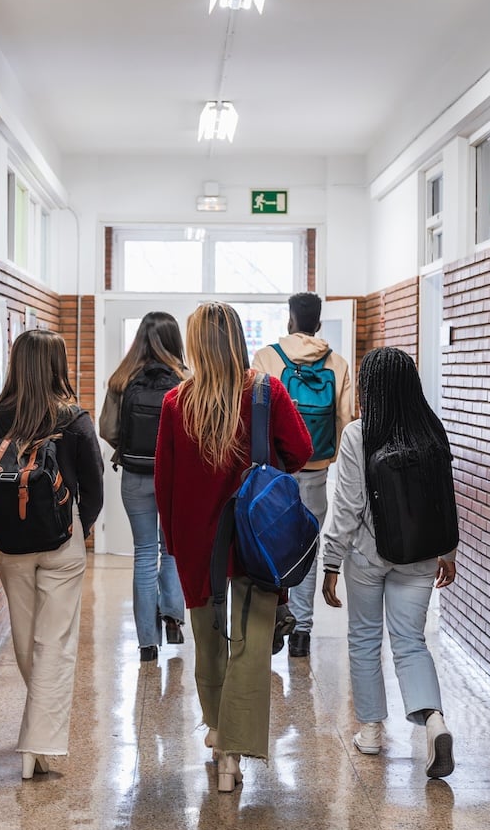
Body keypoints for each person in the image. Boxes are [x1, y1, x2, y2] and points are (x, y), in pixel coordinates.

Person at [154, 302, 312, 792]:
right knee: (251, 643)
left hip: (199, 539)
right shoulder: (266, 391)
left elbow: (164, 484)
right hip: (256, 537)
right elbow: (303, 450)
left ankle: (218, 730)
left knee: (208, 642)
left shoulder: (177, 402)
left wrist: (175, 541)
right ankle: (232, 759)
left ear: (197, 344)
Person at [321, 347, 457, 780]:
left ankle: (372, 731)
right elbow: (445, 502)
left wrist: (330, 561)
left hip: (367, 554)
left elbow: (346, 505)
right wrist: (448, 553)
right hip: (419, 555)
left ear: (369, 388)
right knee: (410, 641)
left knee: (364, 638)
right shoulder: (432, 432)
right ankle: (434, 722)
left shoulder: (360, 434)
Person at [0, 329, 104, 780]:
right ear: (57, 365)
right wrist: (79, 528)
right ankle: (39, 743)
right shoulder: (72, 418)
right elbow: (93, 487)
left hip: (9, 544)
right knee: (56, 642)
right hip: (60, 541)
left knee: (26, 635)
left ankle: (39, 739)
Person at [252, 292, 352, 657]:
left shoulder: (266, 358)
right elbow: (344, 419)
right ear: (319, 324)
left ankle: (276, 620)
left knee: (266, 545)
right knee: (307, 549)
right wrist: (327, 457)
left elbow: (256, 414)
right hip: (315, 471)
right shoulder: (338, 364)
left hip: (274, 471)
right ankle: (303, 632)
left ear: (290, 321)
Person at [100, 312, 187, 662]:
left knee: (145, 553)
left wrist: (127, 446)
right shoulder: (184, 380)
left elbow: (107, 429)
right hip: (174, 479)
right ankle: (173, 616)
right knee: (171, 550)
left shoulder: (121, 380)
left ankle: (147, 643)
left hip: (135, 477)